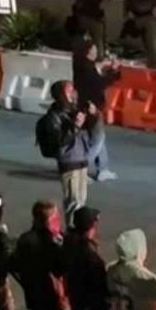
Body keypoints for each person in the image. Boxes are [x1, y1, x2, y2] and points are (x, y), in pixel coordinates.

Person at [41, 80, 104, 224]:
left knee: (81, 202)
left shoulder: (73, 111)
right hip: (69, 162)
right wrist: (75, 126)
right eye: (69, 91)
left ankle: (79, 230)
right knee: (73, 203)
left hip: (81, 159)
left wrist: (94, 114)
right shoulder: (54, 117)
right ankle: (72, 234)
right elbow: (60, 142)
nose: (73, 94)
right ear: (61, 95)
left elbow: (94, 131)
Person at [71, 42, 120, 182]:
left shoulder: (80, 65)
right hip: (92, 107)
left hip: (85, 105)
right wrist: (113, 71)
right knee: (97, 140)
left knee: (99, 138)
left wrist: (102, 67)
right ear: (88, 52)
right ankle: (81, 168)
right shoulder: (87, 68)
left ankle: (103, 169)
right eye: (94, 50)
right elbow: (100, 84)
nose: (96, 52)